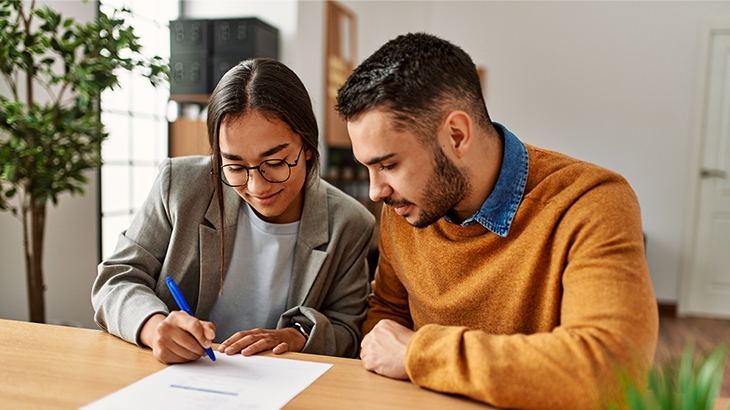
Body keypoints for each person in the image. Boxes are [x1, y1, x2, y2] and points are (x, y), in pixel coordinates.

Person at [335, 33, 658, 409]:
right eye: (368, 168)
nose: (376, 192)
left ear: (456, 135)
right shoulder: (405, 207)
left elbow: (612, 369)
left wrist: (420, 354)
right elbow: (387, 320)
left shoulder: (590, 201)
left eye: (389, 165)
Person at [92, 58, 375, 364]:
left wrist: (297, 335)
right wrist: (154, 326)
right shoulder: (181, 186)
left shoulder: (349, 223)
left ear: (307, 146)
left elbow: (347, 329)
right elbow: (116, 279)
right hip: (182, 375)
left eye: (275, 163)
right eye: (236, 166)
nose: (256, 186)